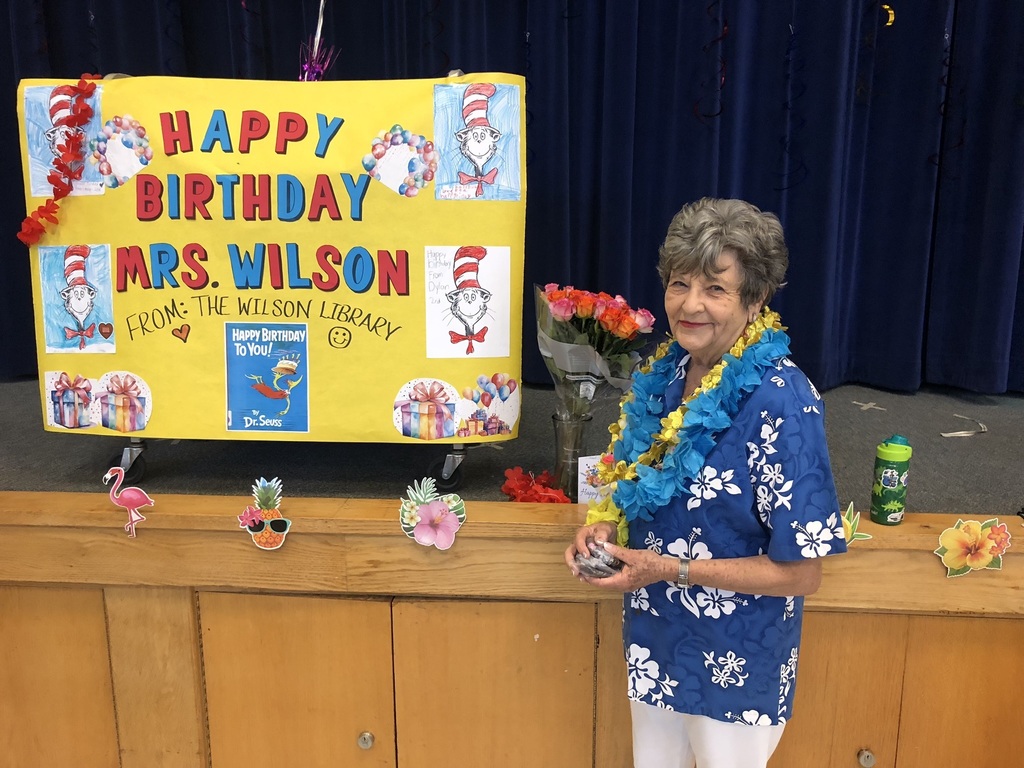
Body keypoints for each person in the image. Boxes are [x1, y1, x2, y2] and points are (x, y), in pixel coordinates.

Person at [565, 197, 847, 768]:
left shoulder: (783, 401)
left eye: (715, 289)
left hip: (735, 660)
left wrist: (667, 569)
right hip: (656, 642)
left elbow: (804, 572)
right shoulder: (665, 371)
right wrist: (602, 525)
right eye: (679, 283)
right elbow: (630, 480)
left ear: (755, 297)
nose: (691, 304)